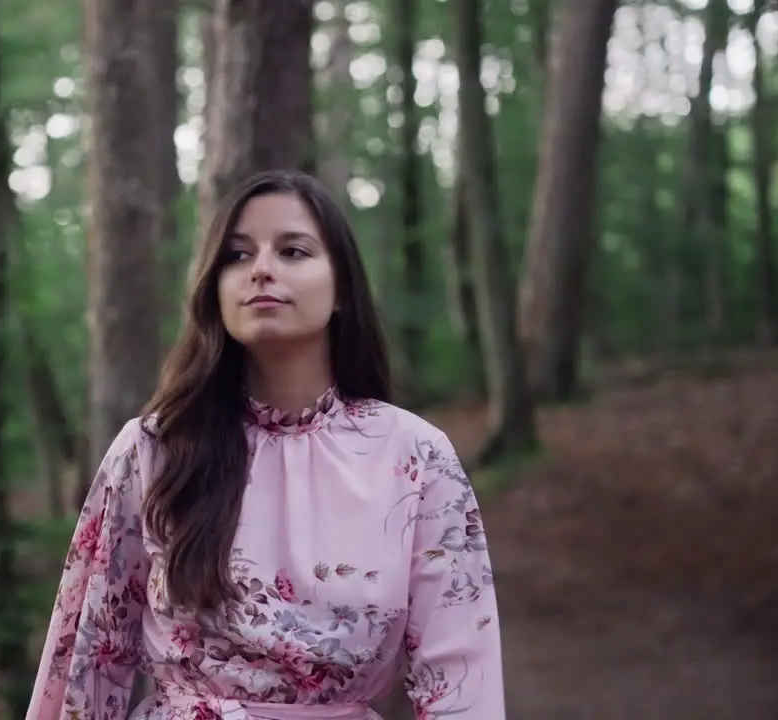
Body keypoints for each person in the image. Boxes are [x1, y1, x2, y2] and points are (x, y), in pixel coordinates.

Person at [26, 169, 504, 719]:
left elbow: (461, 681)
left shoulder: (415, 459)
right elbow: (87, 662)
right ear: (214, 288)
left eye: (293, 251)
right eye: (237, 255)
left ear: (342, 286)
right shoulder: (154, 450)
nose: (261, 270)